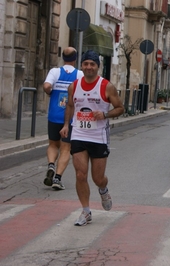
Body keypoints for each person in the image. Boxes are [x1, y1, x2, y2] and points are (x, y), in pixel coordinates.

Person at [60, 50, 124, 226]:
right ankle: (86, 211)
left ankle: (103, 189)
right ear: (81, 65)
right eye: (86, 63)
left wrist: (105, 114)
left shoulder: (106, 86)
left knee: (98, 178)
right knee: (80, 175)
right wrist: (66, 125)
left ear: (98, 67)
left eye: (92, 64)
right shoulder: (74, 86)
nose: (89, 67)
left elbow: (120, 108)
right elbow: (71, 106)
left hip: (98, 136)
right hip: (79, 134)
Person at [43, 47, 84, 190]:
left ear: (62, 57)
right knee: (66, 148)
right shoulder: (79, 74)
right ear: (75, 58)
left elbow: (46, 86)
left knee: (53, 144)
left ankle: (51, 165)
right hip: (70, 117)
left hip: (54, 115)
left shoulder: (55, 72)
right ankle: (57, 178)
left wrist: (51, 92)